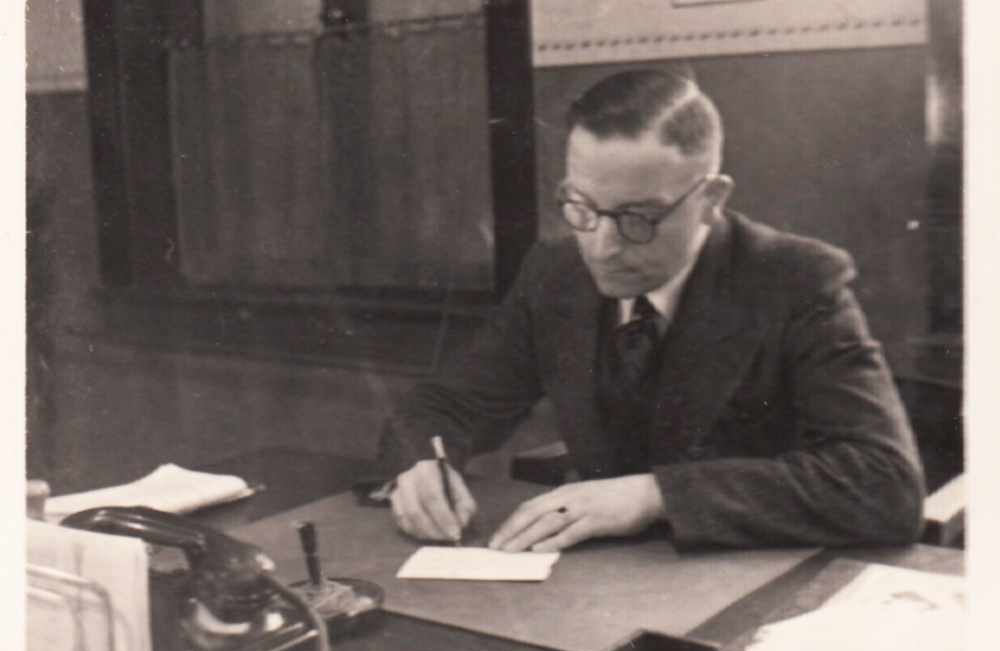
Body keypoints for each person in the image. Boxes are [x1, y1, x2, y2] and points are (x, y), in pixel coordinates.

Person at [371, 68, 925, 553]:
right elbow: (446, 403)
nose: (602, 247)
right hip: (600, 585)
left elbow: (886, 485)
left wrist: (656, 495)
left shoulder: (794, 280)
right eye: (582, 207)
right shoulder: (554, 274)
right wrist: (421, 465)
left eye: (638, 219)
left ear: (710, 200)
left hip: (749, 582)